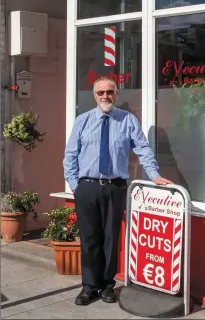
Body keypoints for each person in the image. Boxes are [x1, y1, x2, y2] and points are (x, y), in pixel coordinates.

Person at [63, 76, 172, 306]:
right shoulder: (82, 121)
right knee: (90, 238)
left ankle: (107, 285)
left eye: (109, 92)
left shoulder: (128, 120)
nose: (105, 96)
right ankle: (89, 286)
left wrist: (154, 175)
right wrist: (75, 186)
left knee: (112, 238)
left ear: (116, 94)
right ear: (94, 96)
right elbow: (70, 155)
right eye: (101, 92)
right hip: (87, 187)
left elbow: (143, 149)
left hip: (115, 188)